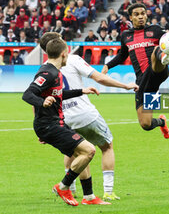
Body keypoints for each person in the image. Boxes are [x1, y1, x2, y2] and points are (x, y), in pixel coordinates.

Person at [39, 32, 138, 201]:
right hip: (85, 114)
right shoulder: (73, 59)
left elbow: (41, 99)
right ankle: (108, 190)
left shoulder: (44, 69)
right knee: (107, 146)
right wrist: (125, 86)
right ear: (59, 45)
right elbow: (99, 77)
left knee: (76, 152)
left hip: (63, 119)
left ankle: (72, 189)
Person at [22, 38, 110, 206]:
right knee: (89, 151)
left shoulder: (55, 72)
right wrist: (42, 102)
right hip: (49, 125)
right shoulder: (48, 73)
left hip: (54, 123)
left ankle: (89, 197)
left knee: (81, 153)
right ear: (63, 54)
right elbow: (27, 94)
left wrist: (81, 91)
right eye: (67, 55)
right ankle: (64, 186)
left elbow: (58, 94)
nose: (67, 58)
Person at [102, 3, 169, 138]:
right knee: (146, 124)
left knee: (158, 49)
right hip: (144, 83)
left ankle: (164, 57)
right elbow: (122, 55)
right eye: (137, 14)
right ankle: (161, 122)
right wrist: (107, 66)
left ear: (146, 15)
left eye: (143, 13)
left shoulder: (155, 30)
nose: (141, 17)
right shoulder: (126, 36)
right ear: (130, 17)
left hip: (158, 72)